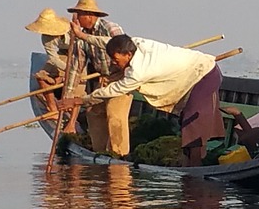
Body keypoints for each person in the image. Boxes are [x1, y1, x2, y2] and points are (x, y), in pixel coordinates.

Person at [62, 33, 224, 166]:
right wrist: (82, 35)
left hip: (205, 74)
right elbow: (106, 41)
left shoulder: (138, 72)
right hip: (192, 75)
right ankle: (190, 162)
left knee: (192, 120)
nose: (113, 63)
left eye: (116, 60)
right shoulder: (136, 43)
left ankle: (194, 167)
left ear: (128, 55)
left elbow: (111, 90)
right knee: (187, 118)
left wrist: (81, 100)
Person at [63, 0, 132, 157]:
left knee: (115, 115)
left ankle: (119, 155)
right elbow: (75, 67)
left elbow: (124, 49)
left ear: (89, 15)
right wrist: (68, 95)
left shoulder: (111, 28)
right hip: (103, 80)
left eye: (79, 15)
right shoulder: (80, 37)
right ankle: (100, 153)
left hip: (120, 78)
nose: (78, 19)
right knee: (93, 113)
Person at [24, 7, 72, 123]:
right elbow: (53, 58)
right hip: (63, 56)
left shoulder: (70, 29)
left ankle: (59, 83)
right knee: (41, 77)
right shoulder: (46, 38)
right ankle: (53, 110)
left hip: (78, 54)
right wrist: (67, 70)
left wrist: (73, 71)